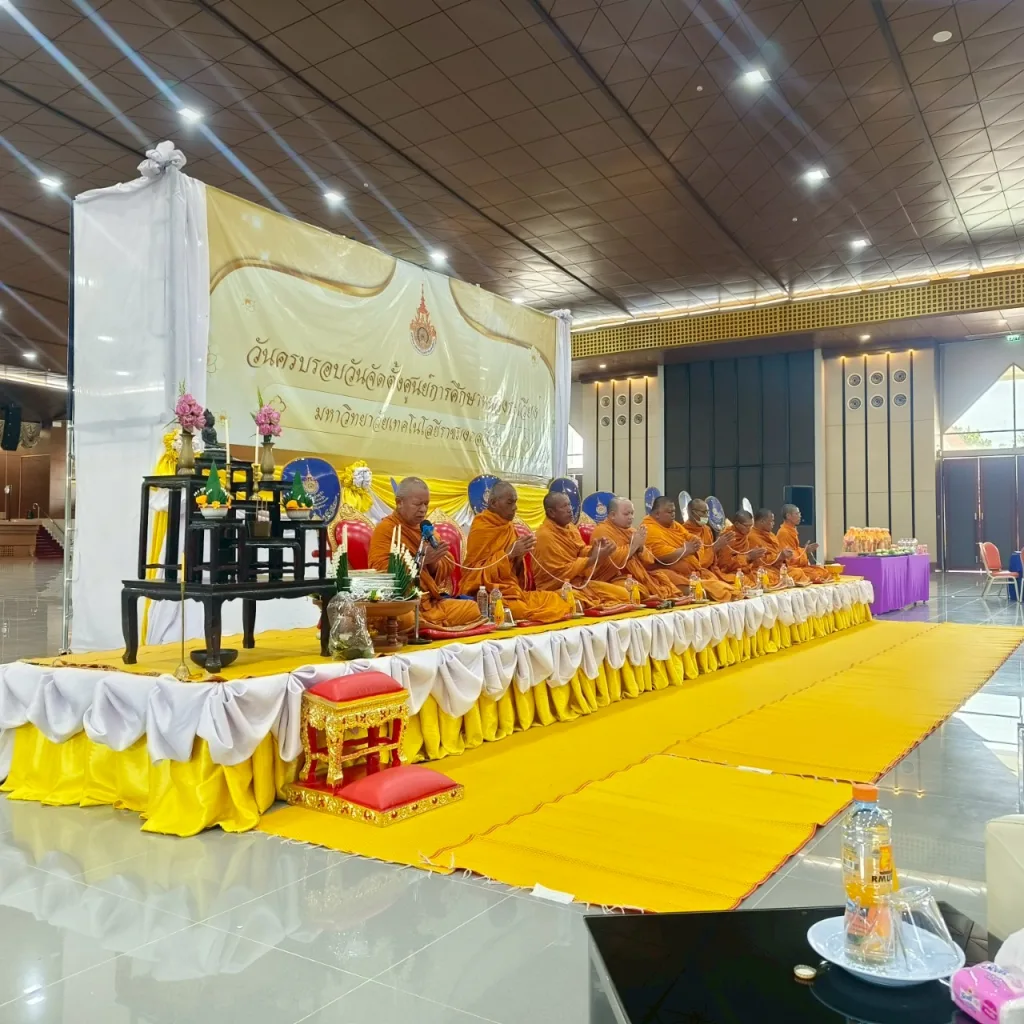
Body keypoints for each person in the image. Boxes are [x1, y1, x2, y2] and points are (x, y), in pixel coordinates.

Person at [368, 477, 486, 631]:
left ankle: (424, 624)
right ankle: (423, 624)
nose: (423, 509)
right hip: (402, 602)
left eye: (426, 504)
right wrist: (421, 560)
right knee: (404, 618)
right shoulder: (386, 529)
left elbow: (446, 566)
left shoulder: (427, 530)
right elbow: (382, 573)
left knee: (471, 608)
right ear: (399, 502)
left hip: (429, 603)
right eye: (417, 504)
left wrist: (433, 562)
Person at [460, 480, 572, 624]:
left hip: (512, 591)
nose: (515, 507)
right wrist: (509, 554)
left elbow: (515, 574)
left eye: (515, 502)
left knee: (554, 599)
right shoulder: (482, 527)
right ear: (493, 503)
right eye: (510, 503)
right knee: (519, 609)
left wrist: (518, 557)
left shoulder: (509, 527)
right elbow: (472, 574)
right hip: (487, 594)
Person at [534, 492, 631, 611]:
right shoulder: (544, 536)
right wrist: (592, 559)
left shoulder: (571, 528)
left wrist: (595, 549)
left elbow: (581, 550)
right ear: (551, 512)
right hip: (556, 588)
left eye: (569, 504)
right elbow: (557, 574)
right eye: (564, 506)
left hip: (580, 584)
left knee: (624, 595)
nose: (569, 509)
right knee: (575, 601)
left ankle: (594, 604)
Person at [642, 495, 735, 601]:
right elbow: (661, 556)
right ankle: (702, 593)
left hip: (693, 571)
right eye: (669, 512)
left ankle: (710, 591)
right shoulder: (649, 529)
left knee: (715, 581)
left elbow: (692, 540)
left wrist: (693, 545)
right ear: (657, 514)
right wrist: (686, 550)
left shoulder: (675, 525)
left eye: (674, 511)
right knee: (668, 577)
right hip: (668, 571)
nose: (673, 514)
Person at [589, 496, 679, 600]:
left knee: (663, 578)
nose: (631, 517)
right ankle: (648, 598)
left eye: (632, 513)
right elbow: (612, 562)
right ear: (613, 515)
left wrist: (640, 548)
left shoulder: (632, 531)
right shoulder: (602, 531)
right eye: (626, 514)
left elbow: (649, 561)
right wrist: (634, 545)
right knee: (633, 589)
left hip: (636, 576)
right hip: (610, 579)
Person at [715, 509, 774, 583]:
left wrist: (755, 558)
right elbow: (724, 565)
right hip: (728, 572)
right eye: (746, 526)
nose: (749, 529)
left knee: (767, 576)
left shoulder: (745, 536)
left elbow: (750, 563)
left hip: (743, 570)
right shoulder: (727, 537)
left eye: (751, 526)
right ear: (737, 524)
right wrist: (747, 557)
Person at [776, 503, 831, 582]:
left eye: (799, 514)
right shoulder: (783, 532)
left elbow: (795, 550)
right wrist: (804, 551)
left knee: (823, 572)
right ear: (788, 516)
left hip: (798, 567)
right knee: (802, 574)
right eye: (797, 514)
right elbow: (788, 558)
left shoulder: (792, 530)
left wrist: (805, 550)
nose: (800, 516)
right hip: (789, 568)